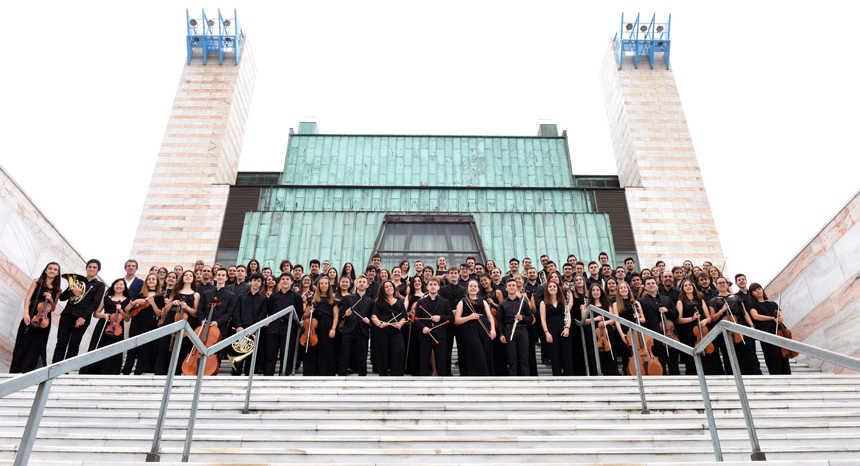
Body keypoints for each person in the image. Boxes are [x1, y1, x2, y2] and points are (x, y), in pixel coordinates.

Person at [10, 262, 61, 373]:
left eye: (55, 269)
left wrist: (51, 299)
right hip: (32, 314)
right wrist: (26, 313)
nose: (52, 271)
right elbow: (28, 298)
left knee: (37, 346)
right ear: (46, 270)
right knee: (22, 342)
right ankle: (16, 370)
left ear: (57, 273)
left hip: (44, 321)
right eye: (50, 268)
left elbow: (52, 308)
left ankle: (28, 372)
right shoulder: (37, 282)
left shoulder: (57, 289)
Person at [53, 259, 105, 363]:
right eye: (89, 266)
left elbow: (95, 303)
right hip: (67, 315)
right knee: (61, 343)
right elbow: (62, 298)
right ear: (86, 268)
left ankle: (66, 371)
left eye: (94, 267)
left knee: (74, 344)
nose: (91, 269)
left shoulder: (100, 285)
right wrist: (72, 291)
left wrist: (83, 317)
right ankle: (54, 368)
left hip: (82, 318)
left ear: (98, 270)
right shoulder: (77, 281)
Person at [84, 278, 130, 375]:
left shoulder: (128, 300)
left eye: (121, 284)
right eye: (117, 284)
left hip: (118, 328)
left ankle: (111, 371)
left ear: (124, 287)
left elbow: (127, 318)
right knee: (98, 345)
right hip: (104, 325)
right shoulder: (106, 298)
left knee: (114, 349)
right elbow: (95, 314)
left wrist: (121, 310)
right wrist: (104, 315)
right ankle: (93, 370)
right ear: (113, 286)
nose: (119, 286)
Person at [122, 273, 162, 375]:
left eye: (153, 279)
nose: (151, 281)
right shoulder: (140, 294)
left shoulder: (160, 296)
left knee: (144, 348)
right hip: (136, 322)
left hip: (150, 324)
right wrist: (135, 302)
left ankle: (138, 371)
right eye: (149, 279)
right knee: (132, 346)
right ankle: (126, 370)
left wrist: (152, 303)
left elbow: (159, 313)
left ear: (157, 282)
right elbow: (127, 309)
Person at [263, 274, 303, 376]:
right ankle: (268, 375)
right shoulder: (273, 297)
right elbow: (270, 311)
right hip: (274, 329)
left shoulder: (297, 297)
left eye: (287, 279)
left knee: (287, 353)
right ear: (280, 282)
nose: (285, 281)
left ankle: (284, 374)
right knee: (270, 354)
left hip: (289, 329)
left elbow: (299, 313)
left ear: (292, 282)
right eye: (283, 279)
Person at [676, 278, 717, 375]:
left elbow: (709, 317)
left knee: (708, 356)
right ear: (683, 289)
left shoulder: (700, 299)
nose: (688, 287)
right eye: (685, 285)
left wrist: (705, 320)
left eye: (690, 285)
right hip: (688, 333)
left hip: (703, 330)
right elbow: (679, 320)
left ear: (693, 287)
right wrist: (692, 318)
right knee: (692, 358)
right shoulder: (680, 301)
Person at [454, 279, 495, 376]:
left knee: (485, 353)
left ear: (478, 289)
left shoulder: (483, 301)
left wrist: (493, 329)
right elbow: (456, 320)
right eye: (470, 286)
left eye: (475, 286)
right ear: (467, 289)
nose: (473, 288)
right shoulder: (462, 302)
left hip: (484, 331)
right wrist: (470, 317)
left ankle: (485, 378)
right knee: (477, 353)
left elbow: (490, 317)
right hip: (469, 333)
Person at [748, 283, 791, 375]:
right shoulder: (753, 305)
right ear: (752, 294)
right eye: (755, 290)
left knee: (784, 358)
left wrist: (779, 318)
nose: (758, 291)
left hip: (778, 332)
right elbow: (755, 316)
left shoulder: (773, 304)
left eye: (759, 289)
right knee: (772, 358)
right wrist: (771, 318)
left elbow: (780, 316)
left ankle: (787, 377)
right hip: (766, 334)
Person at [414, 277, 452, 376]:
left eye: (435, 284)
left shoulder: (445, 302)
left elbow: (451, 318)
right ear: (427, 287)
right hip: (425, 336)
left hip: (440, 336)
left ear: (439, 287)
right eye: (430, 284)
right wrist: (423, 328)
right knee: (424, 362)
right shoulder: (421, 302)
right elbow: (416, 318)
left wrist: (440, 318)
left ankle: (442, 385)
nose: (433, 286)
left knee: (441, 361)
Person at [302, 276, 339, 376]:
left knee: (327, 350)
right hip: (315, 327)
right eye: (321, 283)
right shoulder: (312, 299)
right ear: (318, 286)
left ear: (329, 286)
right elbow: (304, 316)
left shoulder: (333, 300)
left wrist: (333, 329)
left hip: (327, 327)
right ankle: (312, 372)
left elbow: (336, 316)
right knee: (313, 349)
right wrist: (309, 312)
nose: (323, 285)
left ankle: (326, 373)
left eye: (326, 283)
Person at [231, 273, 266, 375]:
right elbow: (236, 312)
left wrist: (254, 329)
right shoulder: (241, 296)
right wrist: (238, 326)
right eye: (254, 280)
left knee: (250, 358)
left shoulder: (263, 299)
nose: (256, 283)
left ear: (261, 284)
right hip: (241, 330)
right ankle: (235, 376)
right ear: (250, 282)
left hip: (253, 332)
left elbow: (262, 315)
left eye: (259, 281)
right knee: (238, 357)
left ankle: (247, 376)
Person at [338, 275, 373, 376]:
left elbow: (373, 317)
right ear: (356, 284)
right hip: (348, 330)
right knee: (345, 352)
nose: (361, 283)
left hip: (363, 330)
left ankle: (362, 373)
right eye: (360, 281)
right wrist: (345, 314)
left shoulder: (370, 301)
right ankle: (343, 372)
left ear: (367, 285)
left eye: (364, 282)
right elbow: (340, 315)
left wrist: (369, 321)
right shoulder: (348, 298)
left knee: (362, 354)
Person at [370, 281, 407, 376]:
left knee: (398, 350)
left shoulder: (399, 302)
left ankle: (396, 373)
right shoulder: (378, 302)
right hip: (383, 331)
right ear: (383, 290)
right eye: (386, 287)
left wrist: (400, 324)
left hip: (395, 331)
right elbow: (374, 316)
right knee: (383, 351)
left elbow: (404, 317)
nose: (389, 288)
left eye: (390, 286)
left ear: (394, 288)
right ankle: (384, 372)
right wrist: (379, 324)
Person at [498, 279, 532, 376]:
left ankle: (526, 381)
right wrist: (501, 334)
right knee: (512, 358)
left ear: (516, 287)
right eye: (509, 285)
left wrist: (523, 317)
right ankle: (513, 381)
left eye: (513, 285)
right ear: (506, 288)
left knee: (524, 357)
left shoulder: (523, 302)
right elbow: (500, 322)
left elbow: (530, 318)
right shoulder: (502, 304)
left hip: (522, 329)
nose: (512, 287)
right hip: (509, 330)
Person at [540, 281, 573, 376]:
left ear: (558, 288)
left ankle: (569, 376)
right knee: (555, 355)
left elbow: (568, 315)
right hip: (551, 332)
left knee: (566, 354)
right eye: (550, 286)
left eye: (554, 286)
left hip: (564, 330)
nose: (552, 288)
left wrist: (567, 328)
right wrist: (546, 332)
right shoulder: (543, 303)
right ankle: (557, 377)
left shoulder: (563, 301)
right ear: (547, 289)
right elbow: (543, 319)